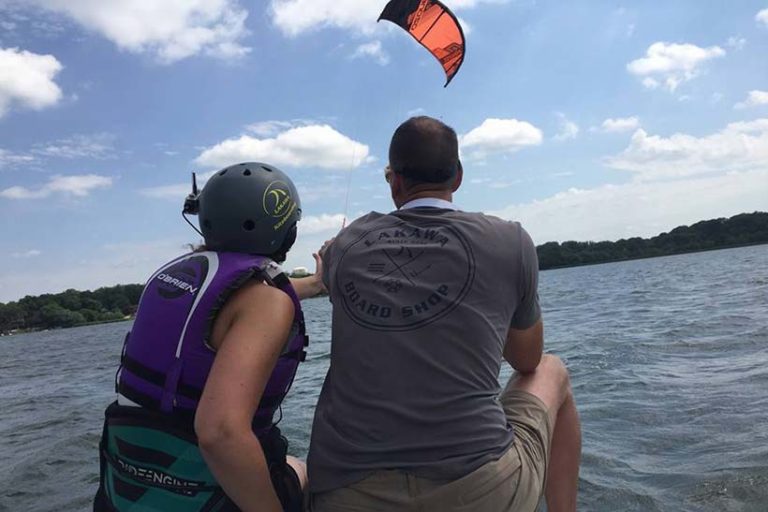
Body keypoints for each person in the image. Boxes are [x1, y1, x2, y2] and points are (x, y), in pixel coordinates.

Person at [307, 116, 581, 511]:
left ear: (394, 182)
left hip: (347, 494)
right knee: (551, 369)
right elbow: (526, 359)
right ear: (458, 176)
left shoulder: (343, 247)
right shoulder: (511, 241)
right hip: (482, 489)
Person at [93, 162, 325, 512]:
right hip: (202, 488)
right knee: (302, 471)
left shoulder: (179, 275)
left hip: (128, 485)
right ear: (285, 231)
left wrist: (316, 283)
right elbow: (220, 433)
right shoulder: (266, 303)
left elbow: (240, 296)